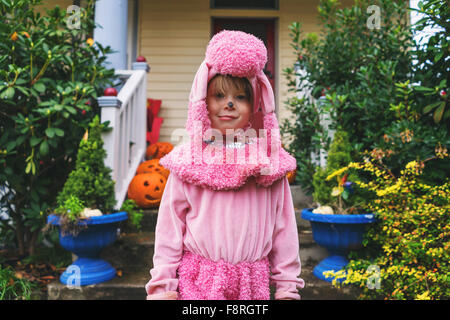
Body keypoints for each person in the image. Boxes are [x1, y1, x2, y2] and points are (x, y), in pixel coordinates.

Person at [145, 30, 305, 300]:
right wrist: (163, 286)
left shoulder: (267, 162)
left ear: (255, 104)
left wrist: (287, 287)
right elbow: (170, 229)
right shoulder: (189, 162)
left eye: (240, 97)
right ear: (203, 103)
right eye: (219, 95)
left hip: (252, 284)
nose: (229, 104)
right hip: (198, 281)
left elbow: (284, 229)